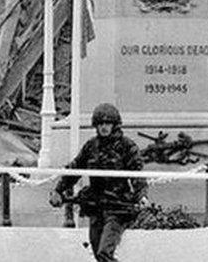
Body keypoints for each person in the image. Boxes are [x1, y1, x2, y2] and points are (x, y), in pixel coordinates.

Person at [50, 103, 147, 262]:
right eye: (100, 124)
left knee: (104, 252)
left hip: (117, 208)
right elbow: (74, 170)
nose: (104, 127)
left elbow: (137, 175)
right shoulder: (91, 146)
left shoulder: (126, 146)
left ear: (114, 125)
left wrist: (141, 196)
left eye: (107, 123)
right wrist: (58, 190)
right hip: (96, 206)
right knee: (97, 252)